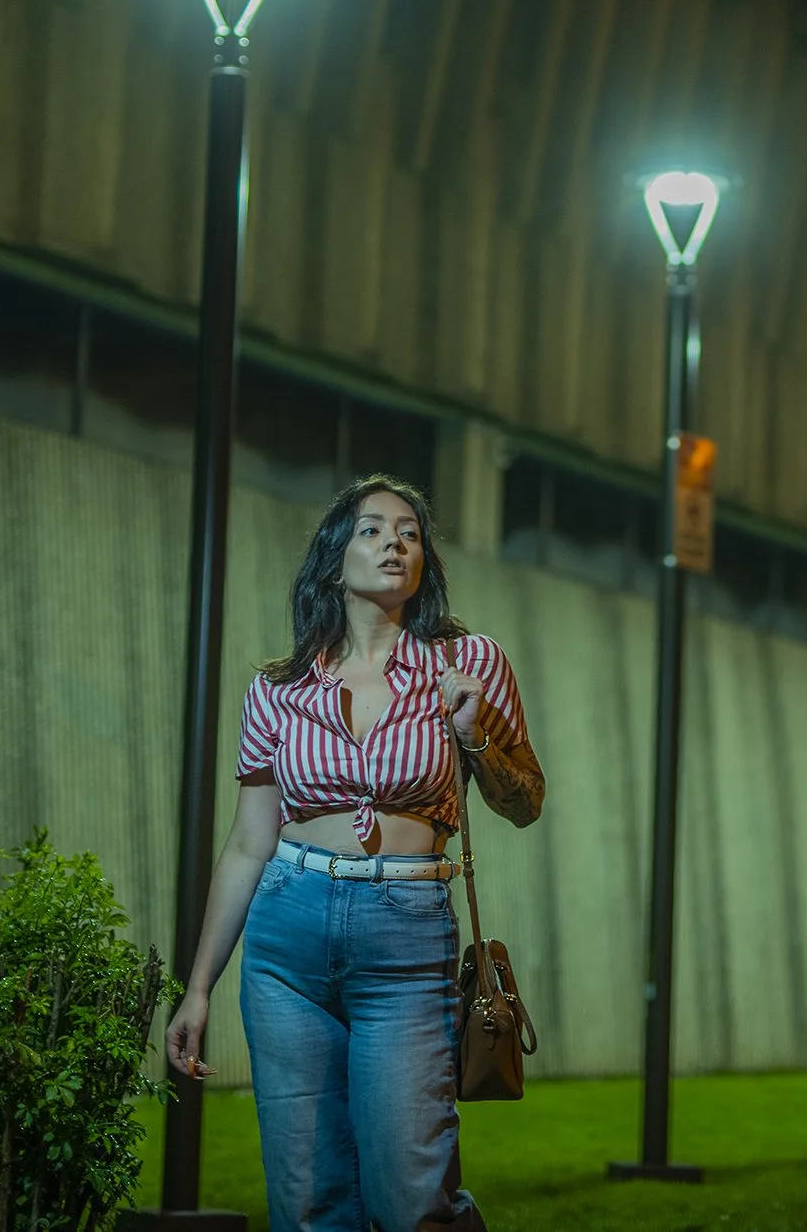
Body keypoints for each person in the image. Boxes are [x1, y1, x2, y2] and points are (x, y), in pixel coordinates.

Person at [163, 474, 546, 1232]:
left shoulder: (467, 663)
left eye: (408, 532)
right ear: (334, 562)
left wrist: (477, 736)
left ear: (424, 562)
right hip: (286, 941)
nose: (393, 543)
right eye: (371, 530)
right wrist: (198, 987)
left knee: (414, 1196)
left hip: (404, 936)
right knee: (309, 1200)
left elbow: (525, 802)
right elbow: (247, 844)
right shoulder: (278, 689)